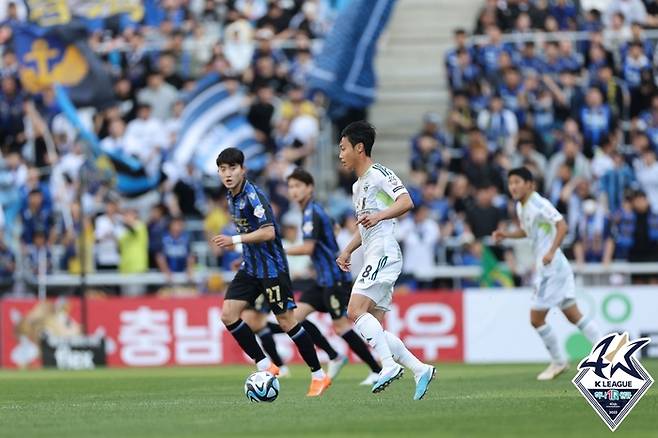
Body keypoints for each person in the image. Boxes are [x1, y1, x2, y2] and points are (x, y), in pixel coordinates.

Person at [212, 147, 330, 397]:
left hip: (272, 269)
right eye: (223, 169)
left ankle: (318, 375)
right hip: (251, 267)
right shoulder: (231, 195)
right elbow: (252, 232)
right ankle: (266, 365)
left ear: (242, 169)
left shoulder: (253, 195)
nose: (228, 174)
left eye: (232, 168)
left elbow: (269, 232)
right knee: (228, 314)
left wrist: (235, 241)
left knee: (287, 321)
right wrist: (243, 257)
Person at [335, 121, 436, 400]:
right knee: (373, 325)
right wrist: (347, 250)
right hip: (372, 252)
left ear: (359, 148)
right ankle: (420, 369)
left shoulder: (380, 174)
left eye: (343, 148)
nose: (340, 154)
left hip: (384, 252)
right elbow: (364, 226)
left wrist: (379, 216)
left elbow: (406, 202)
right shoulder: (358, 187)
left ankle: (389, 366)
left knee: (354, 311)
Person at [492, 167, 601, 380]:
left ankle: (559, 361)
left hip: (551, 268)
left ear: (530, 184)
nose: (513, 186)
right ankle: (609, 353)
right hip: (556, 266)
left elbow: (562, 225)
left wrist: (551, 251)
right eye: (510, 182)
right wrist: (507, 235)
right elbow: (528, 231)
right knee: (572, 314)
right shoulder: (521, 206)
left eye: (517, 182)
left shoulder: (539, 203)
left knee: (536, 318)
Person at [286, 167, 384, 385]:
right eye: (291, 186)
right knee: (293, 319)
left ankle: (377, 369)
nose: (293, 191)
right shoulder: (314, 211)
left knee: (341, 326)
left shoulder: (312, 212)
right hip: (322, 280)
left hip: (334, 280)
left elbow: (309, 248)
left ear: (309, 188)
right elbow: (336, 228)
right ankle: (334, 355)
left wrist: (279, 250)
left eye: (298, 186)